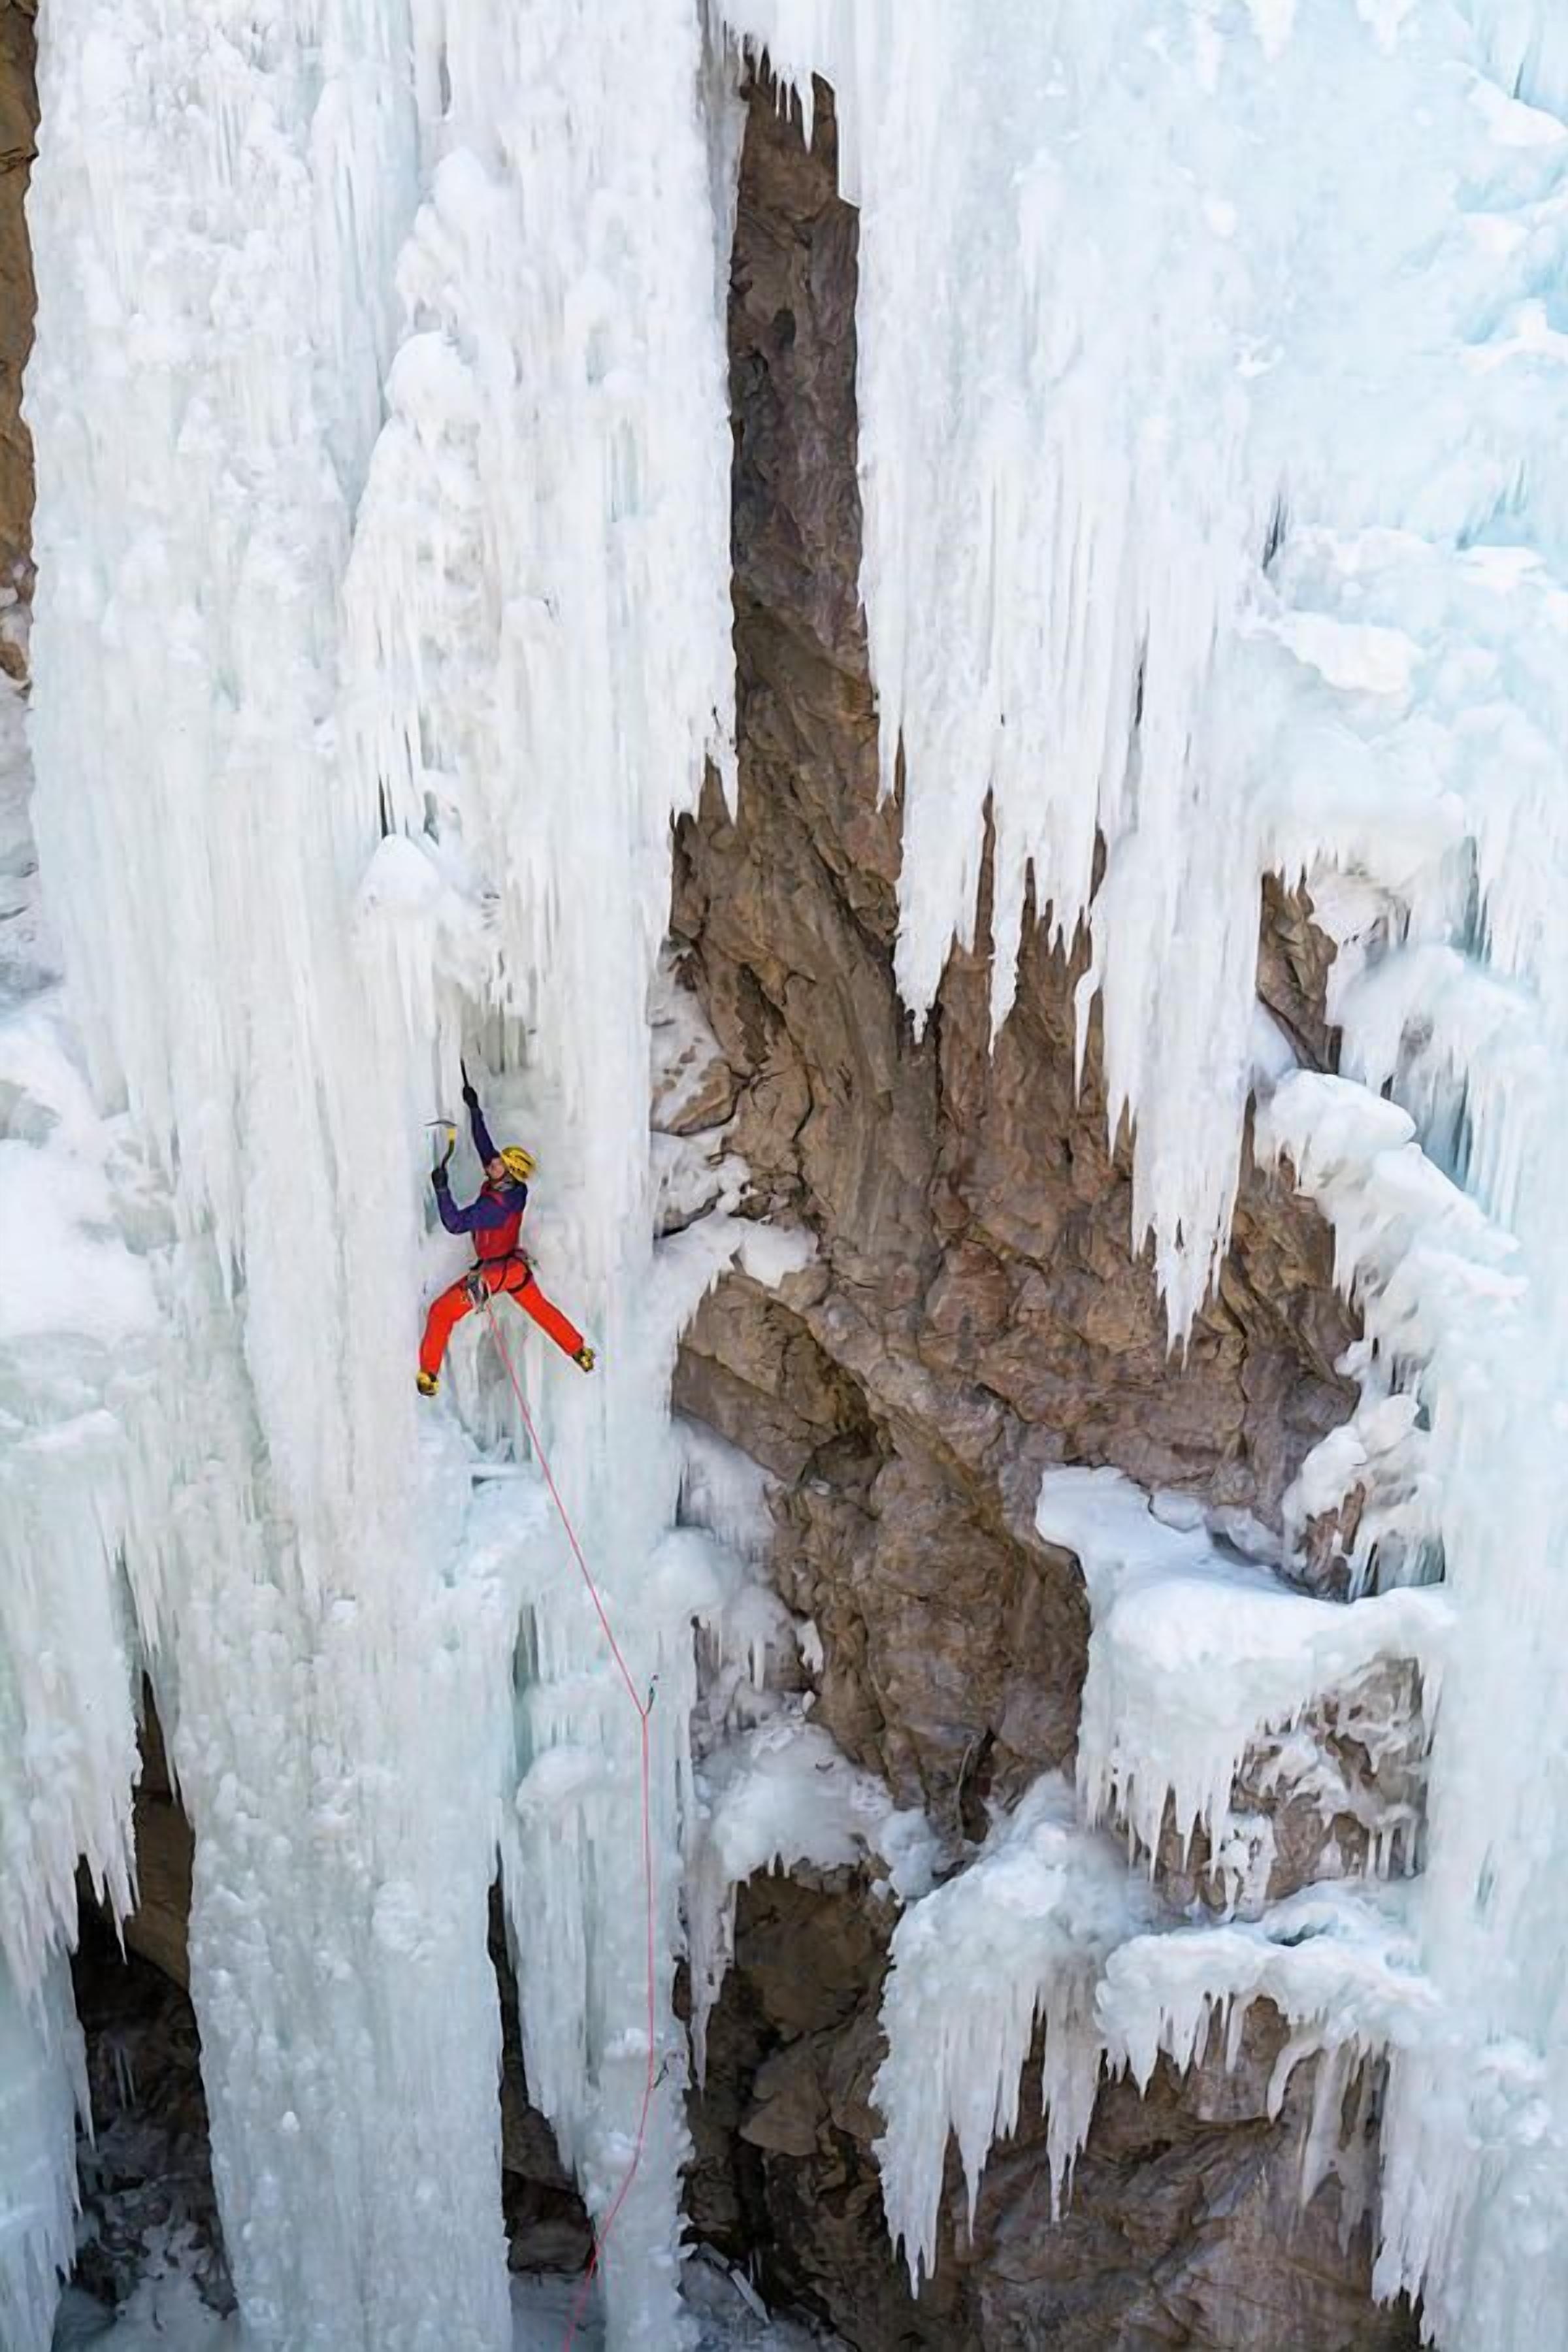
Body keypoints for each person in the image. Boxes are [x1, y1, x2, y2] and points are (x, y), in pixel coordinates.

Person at [416, 1077, 595, 1396]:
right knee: (542, 1310)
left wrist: (442, 1189)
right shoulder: (513, 1188)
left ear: (508, 1173)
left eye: (500, 1163)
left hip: (495, 1274)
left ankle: (428, 1375)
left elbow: (455, 1223)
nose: (492, 1163)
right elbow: (485, 1147)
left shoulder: (495, 1208)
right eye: (498, 1161)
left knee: (441, 1312)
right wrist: (474, 1109)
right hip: (514, 1270)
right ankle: (580, 1351)